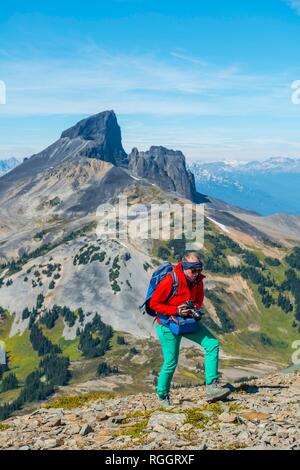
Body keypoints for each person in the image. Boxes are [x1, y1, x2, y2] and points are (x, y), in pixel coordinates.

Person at [150, 252, 231, 407]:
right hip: (167, 325)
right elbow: (154, 304)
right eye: (193, 270)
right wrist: (176, 310)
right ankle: (162, 396)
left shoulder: (198, 281)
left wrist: (193, 308)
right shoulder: (170, 281)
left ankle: (212, 387)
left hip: (187, 321)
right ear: (184, 267)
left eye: (199, 270)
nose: (196, 274)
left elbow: (199, 299)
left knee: (212, 344)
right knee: (171, 362)